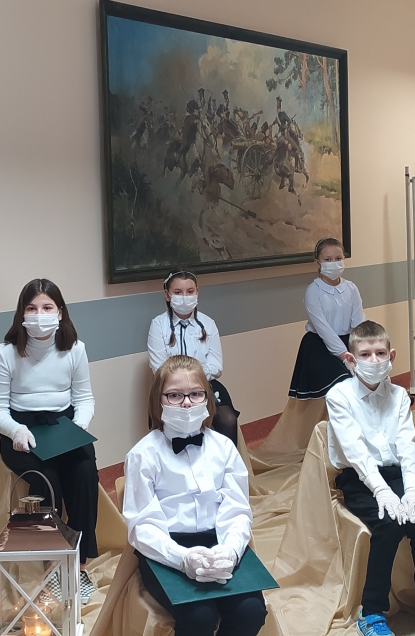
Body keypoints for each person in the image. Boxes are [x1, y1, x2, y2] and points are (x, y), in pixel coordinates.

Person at [123, 356, 268, 636]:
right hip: (166, 548)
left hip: (219, 540)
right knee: (199, 617)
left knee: (250, 611)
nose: (187, 403)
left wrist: (231, 550)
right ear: (158, 400)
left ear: (207, 398)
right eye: (175, 395)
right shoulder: (143, 455)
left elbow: (237, 509)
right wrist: (181, 557)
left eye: (195, 394)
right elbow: (142, 525)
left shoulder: (224, 447)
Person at [326, 321, 415, 636]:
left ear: (391, 356)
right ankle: (371, 611)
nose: (374, 360)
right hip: (358, 477)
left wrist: (413, 491)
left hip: (394, 473)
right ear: (351, 359)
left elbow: (408, 447)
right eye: (365, 354)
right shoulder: (339, 396)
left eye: (381, 353)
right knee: (388, 524)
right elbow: (354, 451)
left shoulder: (399, 395)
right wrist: (381, 490)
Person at [0, 279, 100, 601]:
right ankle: (52, 561)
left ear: (60, 312)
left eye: (47, 307)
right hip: (22, 430)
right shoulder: (6, 352)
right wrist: (16, 431)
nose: (40, 315)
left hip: (64, 425)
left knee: (84, 473)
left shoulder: (75, 349)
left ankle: (78, 562)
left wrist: (77, 427)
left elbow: (85, 399)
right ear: (22, 314)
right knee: (47, 479)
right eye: (32, 308)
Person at [148, 269, 240, 445]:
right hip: (170, 389)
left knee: (227, 419)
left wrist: (194, 382)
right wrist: (184, 383)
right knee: (168, 423)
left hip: (205, 385)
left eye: (190, 291)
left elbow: (217, 366)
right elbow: (159, 368)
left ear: (197, 292)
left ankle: (225, 460)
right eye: (178, 292)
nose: (185, 297)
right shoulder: (158, 325)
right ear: (167, 295)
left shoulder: (208, 323)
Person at [288, 237, 365, 399]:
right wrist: (345, 357)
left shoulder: (351, 288)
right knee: (342, 385)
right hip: (319, 346)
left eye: (338, 258)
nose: (334, 263)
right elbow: (324, 330)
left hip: (349, 343)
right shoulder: (314, 291)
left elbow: (358, 324)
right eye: (328, 260)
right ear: (318, 263)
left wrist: (363, 351)